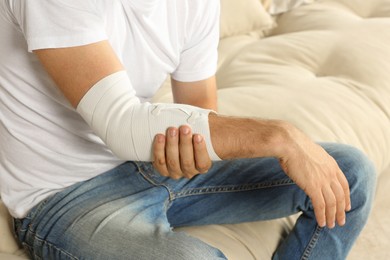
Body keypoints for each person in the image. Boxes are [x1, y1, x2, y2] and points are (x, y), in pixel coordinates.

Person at [0, 1, 375, 259]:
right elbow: (120, 124)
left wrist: (191, 153)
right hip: (66, 198)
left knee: (350, 174)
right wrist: (281, 136)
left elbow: (198, 112)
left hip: (154, 160)